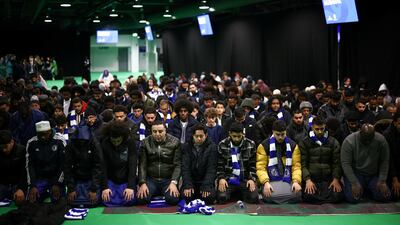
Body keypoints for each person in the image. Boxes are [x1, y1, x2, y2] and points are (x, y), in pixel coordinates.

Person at [341, 123, 391, 203]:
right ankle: (362, 188)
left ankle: (366, 190)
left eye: (370, 139)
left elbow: (384, 161)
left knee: (385, 197)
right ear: (360, 133)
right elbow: (345, 163)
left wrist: (382, 180)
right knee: (352, 198)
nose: (367, 141)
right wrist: (354, 182)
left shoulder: (381, 140)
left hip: (373, 175)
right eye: (365, 139)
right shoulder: (349, 141)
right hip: (356, 174)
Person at [299, 116, 343, 203]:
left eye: (322, 129)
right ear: (312, 127)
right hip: (312, 179)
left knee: (338, 195)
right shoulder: (304, 142)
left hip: (328, 179)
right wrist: (307, 180)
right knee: (308, 196)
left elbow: (336, 164)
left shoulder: (333, 142)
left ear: (325, 127)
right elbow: (303, 164)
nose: (320, 131)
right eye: (317, 129)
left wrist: (336, 179)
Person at [256, 120, 302, 204]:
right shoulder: (263, 146)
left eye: (283, 134)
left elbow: (296, 167)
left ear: (286, 132)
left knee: (298, 194)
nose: (280, 137)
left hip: (287, 179)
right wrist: (266, 183)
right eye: (278, 134)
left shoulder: (293, 146)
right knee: (269, 196)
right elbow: (260, 168)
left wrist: (296, 182)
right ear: (273, 132)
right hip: (270, 181)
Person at [137, 121, 181, 205]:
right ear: (151, 131)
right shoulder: (145, 142)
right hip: (151, 180)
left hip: (168, 179)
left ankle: (161, 191)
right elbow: (142, 164)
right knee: (142, 199)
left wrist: (174, 182)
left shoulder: (175, 142)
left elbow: (177, 165)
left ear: (165, 131)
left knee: (173, 200)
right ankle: (155, 191)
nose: (157, 134)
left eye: (160, 131)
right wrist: (142, 182)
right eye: (154, 131)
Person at [216, 122, 258, 204]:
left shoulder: (251, 144)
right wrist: (221, 178)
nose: (236, 139)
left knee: (254, 198)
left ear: (243, 134)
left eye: (239, 136)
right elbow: (220, 165)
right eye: (234, 136)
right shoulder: (222, 144)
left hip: (245, 179)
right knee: (221, 198)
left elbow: (253, 165)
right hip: (228, 179)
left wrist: (252, 179)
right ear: (229, 134)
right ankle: (236, 193)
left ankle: (238, 193)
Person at [26, 121, 66, 203]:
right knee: (32, 201)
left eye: (45, 134)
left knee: (58, 201)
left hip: (56, 177)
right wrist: (32, 185)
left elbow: (64, 164)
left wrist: (57, 183)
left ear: (50, 131)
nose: (43, 137)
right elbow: (29, 165)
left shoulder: (60, 141)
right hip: (40, 179)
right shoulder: (31, 143)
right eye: (40, 135)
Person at [100, 121, 137, 207]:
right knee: (106, 200)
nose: (116, 143)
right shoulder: (104, 143)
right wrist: (105, 187)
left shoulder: (130, 142)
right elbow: (103, 166)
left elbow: (132, 165)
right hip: (111, 179)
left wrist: (131, 186)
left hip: (125, 179)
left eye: (118, 141)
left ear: (123, 137)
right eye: (113, 141)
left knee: (130, 200)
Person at [64, 125, 102, 207]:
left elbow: (98, 167)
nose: (82, 141)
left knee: (93, 202)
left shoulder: (94, 144)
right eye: (80, 140)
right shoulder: (70, 145)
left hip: (91, 178)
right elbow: (67, 167)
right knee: (72, 202)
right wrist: (71, 189)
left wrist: (94, 189)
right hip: (77, 179)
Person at [181, 124, 217, 204]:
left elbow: (211, 169)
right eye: (196, 136)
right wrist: (187, 185)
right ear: (193, 135)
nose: (199, 138)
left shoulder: (212, 147)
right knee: (186, 197)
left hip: (204, 181)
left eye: (201, 136)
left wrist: (207, 185)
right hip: (192, 181)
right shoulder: (186, 147)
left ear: (206, 135)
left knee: (209, 198)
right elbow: (185, 168)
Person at [0, 130, 26, 205]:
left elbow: (24, 173)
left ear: (12, 142)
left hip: (18, 184)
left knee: (21, 202)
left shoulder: (22, 150)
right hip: (3, 184)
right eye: (1, 147)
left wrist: (21, 188)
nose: (3, 150)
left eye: (5, 147)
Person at [383, 112, 400, 200]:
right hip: (390, 172)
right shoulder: (387, 135)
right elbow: (389, 160)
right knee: (394, 195)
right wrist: (395, 179)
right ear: (395, 123)